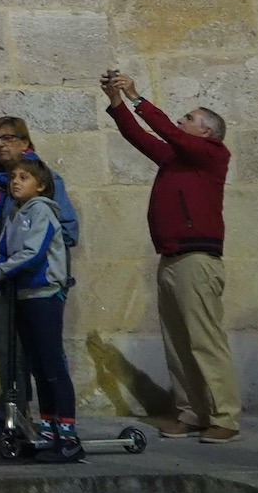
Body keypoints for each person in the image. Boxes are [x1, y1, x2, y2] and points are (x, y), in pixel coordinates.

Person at [101, 71, 239, 443]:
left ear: (208, 132)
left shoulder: (211, 155)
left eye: (189, 118)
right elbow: (138, 136)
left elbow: (168, 133)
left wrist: (137, 96)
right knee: (178, 343)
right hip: (171, 258)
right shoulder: (177, 159)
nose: (180, 122)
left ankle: (225, 416)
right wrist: (116, 100)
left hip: (198, 259)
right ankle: (192, 412)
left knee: (204, 342)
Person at [0, 117, 77, 443]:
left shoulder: (45, 192)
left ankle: (65, 429)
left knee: (49, 361)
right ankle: (20, 418)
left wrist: (9, 267)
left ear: (24, 141)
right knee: (11, 353)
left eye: (8, 138)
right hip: (12, 287)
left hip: (41, 287)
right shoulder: (0, 189)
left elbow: (55, 236)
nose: (0, 145)